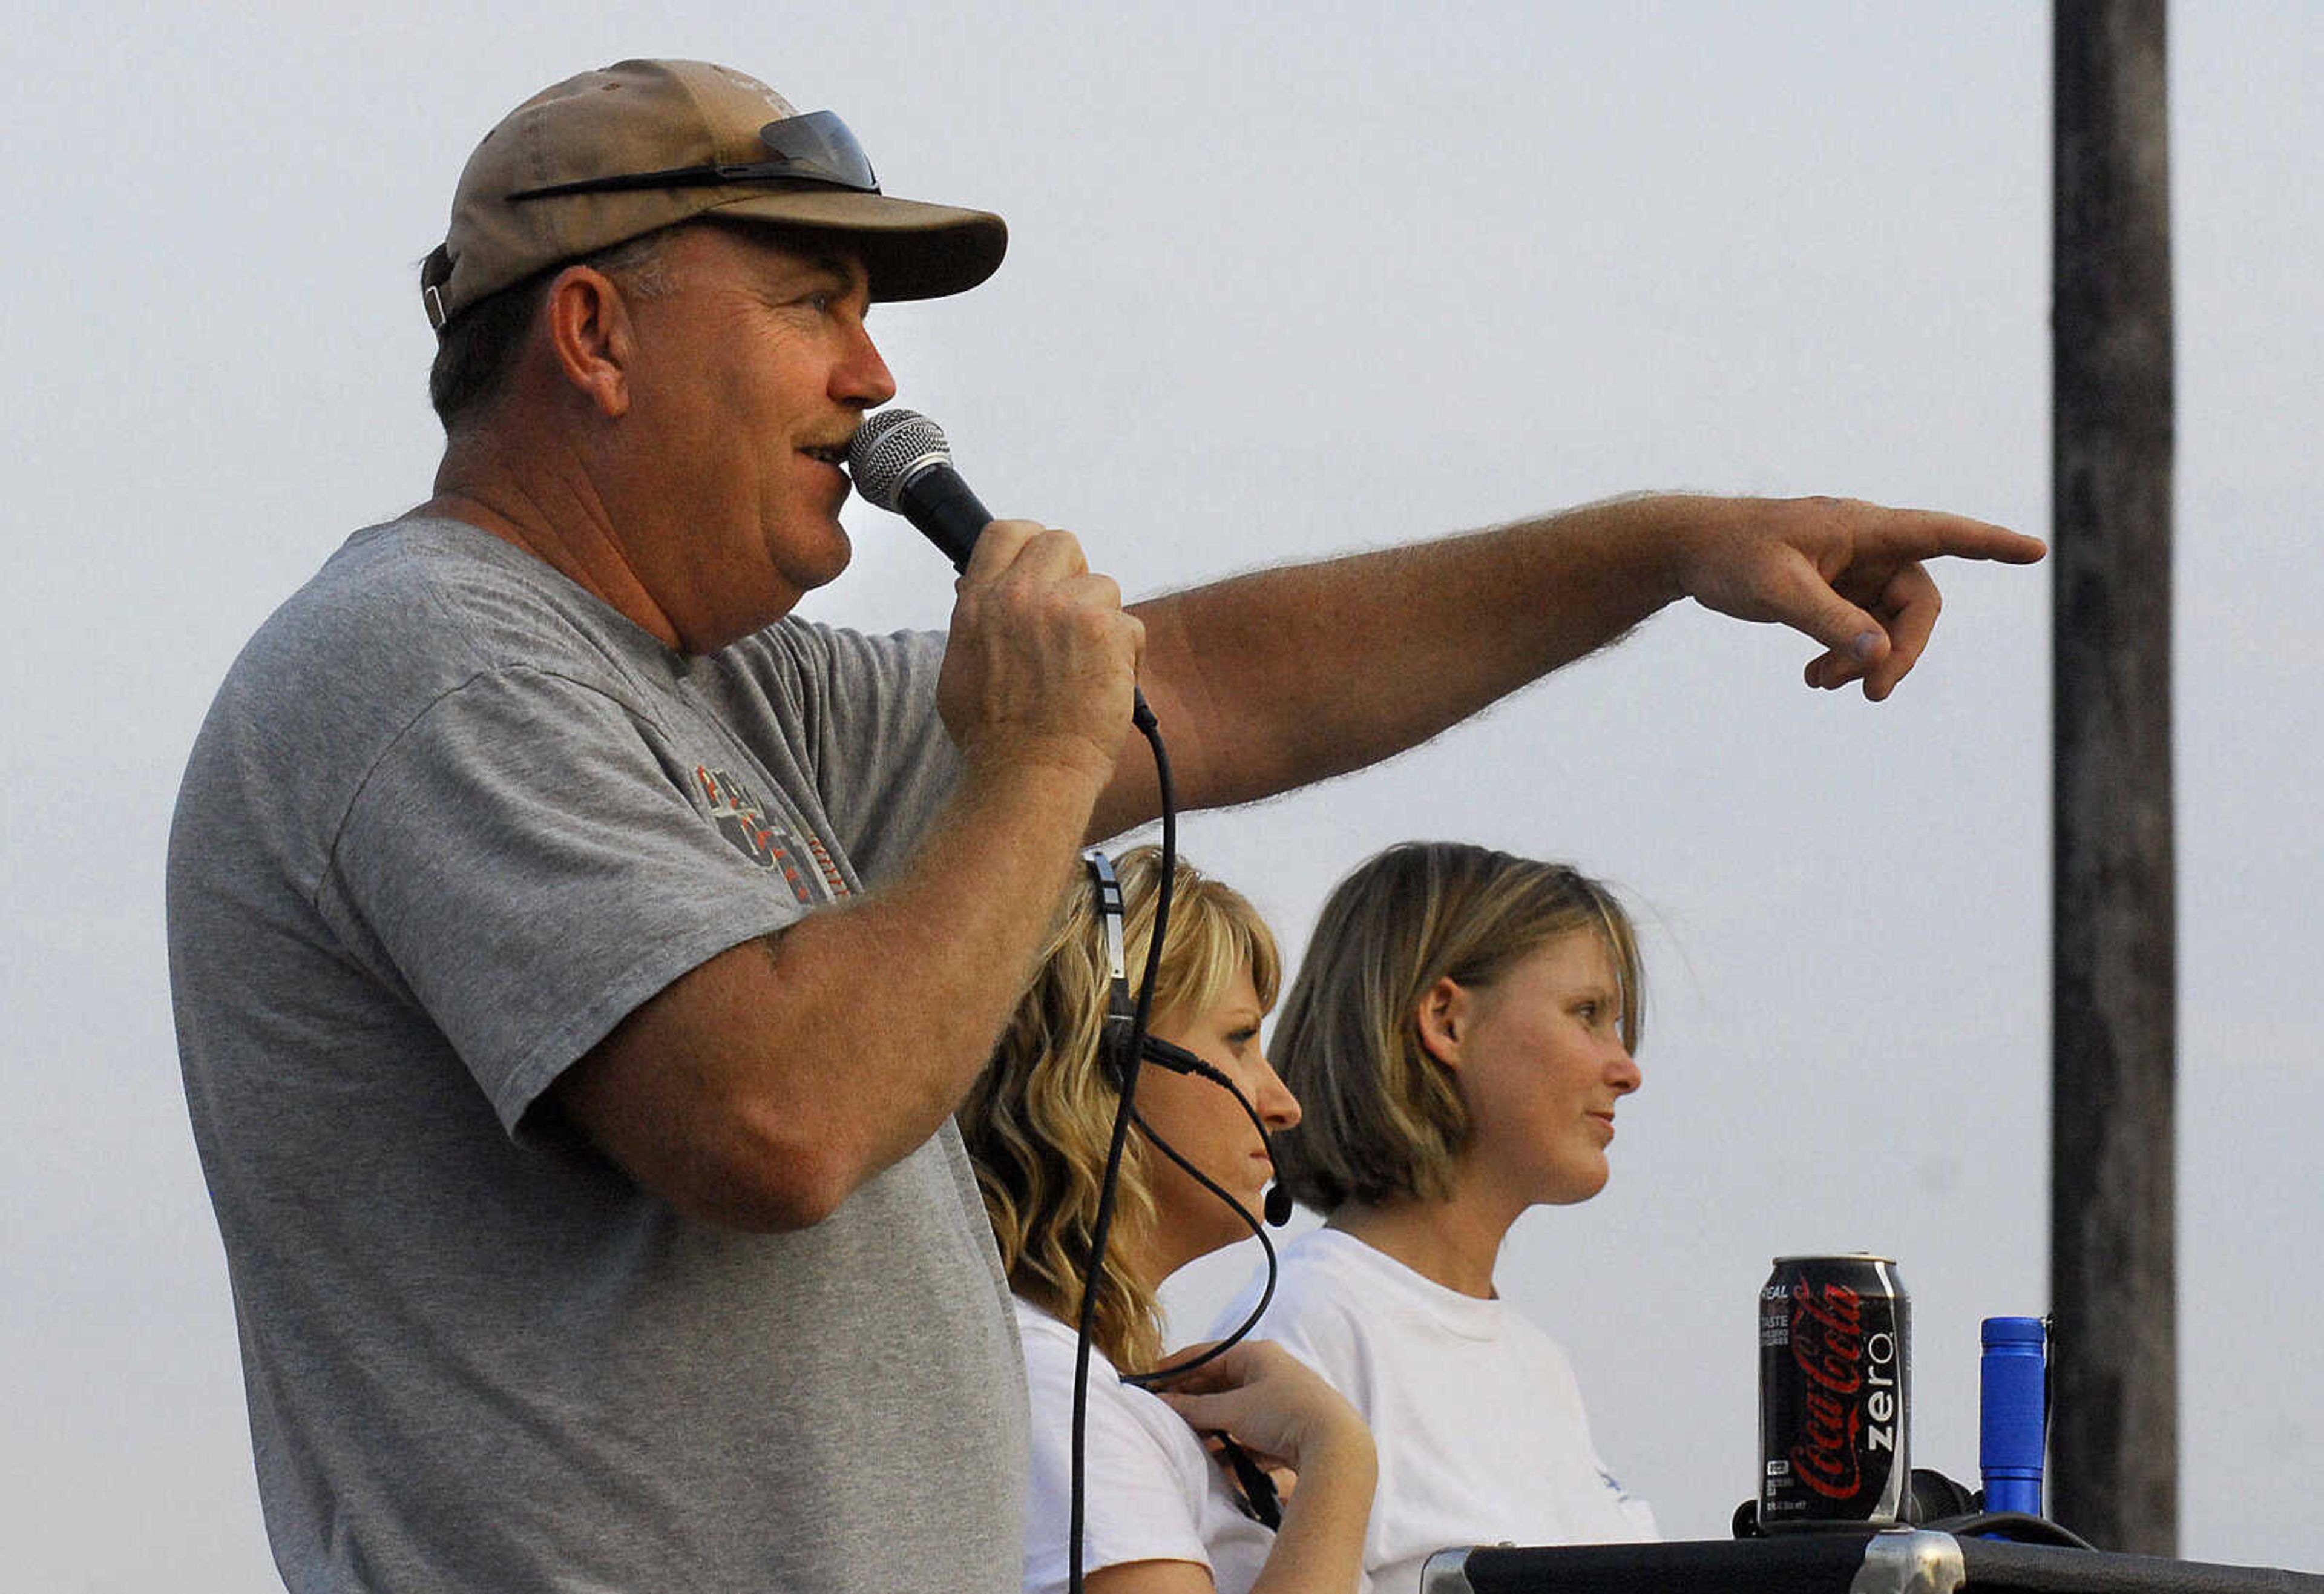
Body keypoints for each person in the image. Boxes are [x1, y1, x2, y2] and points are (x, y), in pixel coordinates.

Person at [164, 53, 2043, 1593]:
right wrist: (1038, 764)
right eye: (812, 299)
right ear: (592, 332)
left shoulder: (727, 691)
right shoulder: (433, 670)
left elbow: (1215, 684)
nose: (875, 375)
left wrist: (1665, 547)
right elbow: (774, 1117)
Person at [1212, 843, 1661, 1591]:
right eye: (1588, 1014)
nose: (1627, 1067)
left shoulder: (1538, 1364)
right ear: (1447, 1020)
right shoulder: (1302, 1328)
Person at [961, 846, 1373, 1594]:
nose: (1282, 1103)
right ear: (1106, 1054)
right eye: (1240, 1038)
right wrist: (1338, 1461)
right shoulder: (1048, 1385)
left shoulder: (1094, 1389)